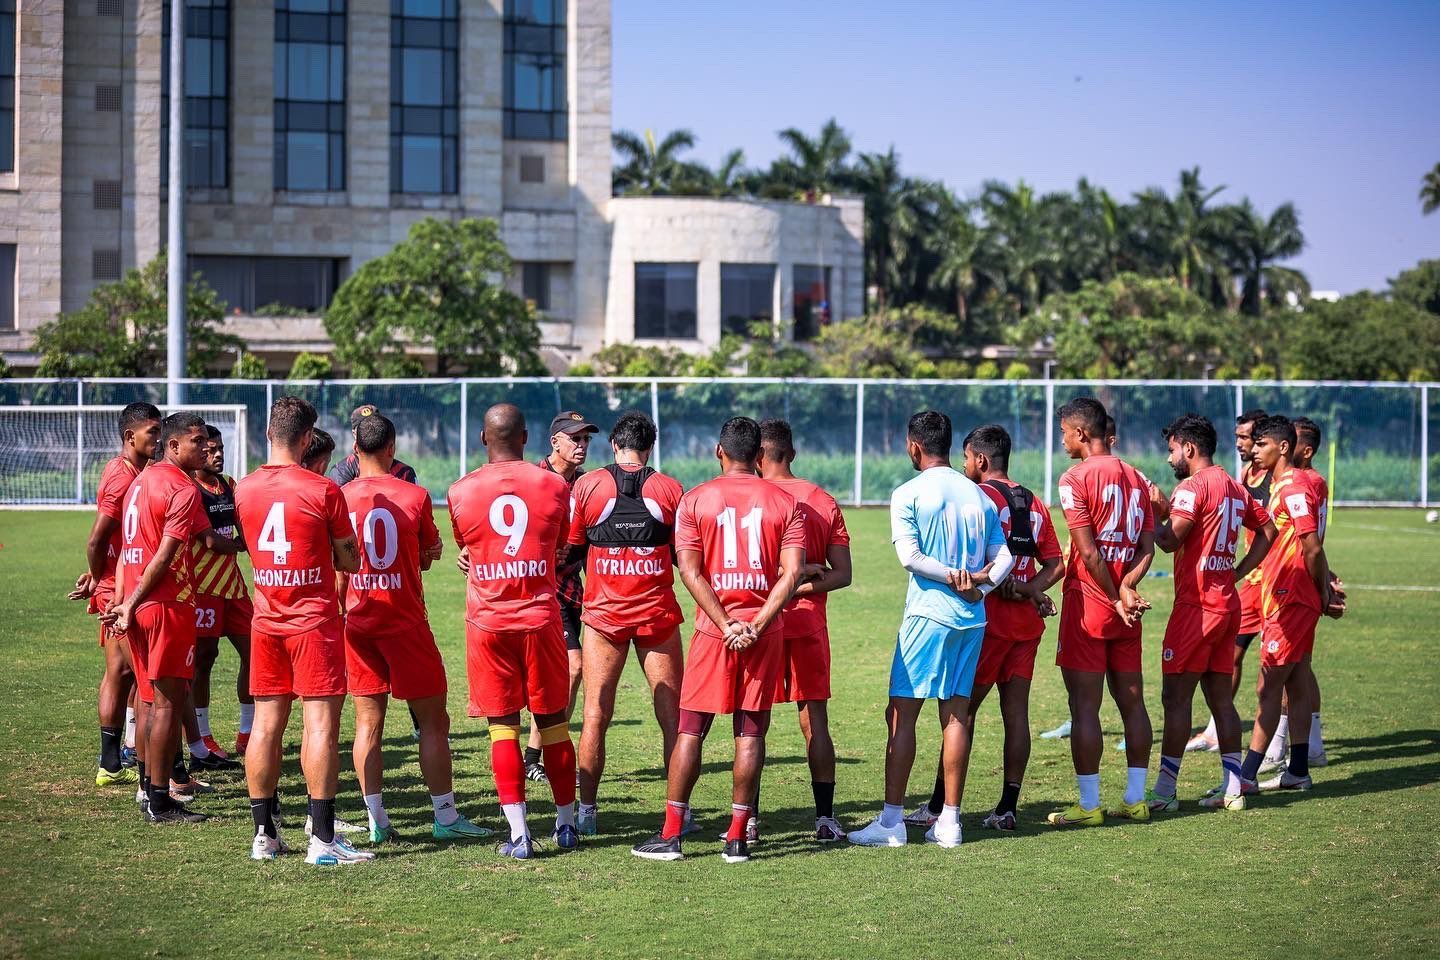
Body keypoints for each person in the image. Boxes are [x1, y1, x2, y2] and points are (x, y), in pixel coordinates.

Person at [630, 416, 806, 864]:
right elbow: (792, 574)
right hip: (764, 634)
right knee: (750, 733)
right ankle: (736, 838)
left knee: (690, 730)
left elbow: (689, 571)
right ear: (760, 457)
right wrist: (758, 624)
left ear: (718, 451)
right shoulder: (785, 502)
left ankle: (671, 836)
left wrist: (727, 624)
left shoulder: (695, 499)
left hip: (714, 633)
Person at [848, 411, 1013, 850]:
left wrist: (954, 576)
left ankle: (891, 823)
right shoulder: (979, 496)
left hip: (927, 616)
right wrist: (980, 585)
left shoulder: (908, 493)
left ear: (914, 447)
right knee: (956, 715)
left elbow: (911, 557)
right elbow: (1006, 559)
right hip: (972, 619)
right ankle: (951, 823)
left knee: (902, 714)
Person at [341, 411, 492, 843]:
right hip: (404, 620)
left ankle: (376, 819)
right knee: (432, 723)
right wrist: (430, 551)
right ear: (392, 448)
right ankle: (445, 816)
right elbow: (427, 555)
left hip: (358, 619)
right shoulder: (414, 495)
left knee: (367, 723)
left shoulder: (340, 496)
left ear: (355, 449)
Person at [235, 396, 371, 865]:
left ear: (269, 434)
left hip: (266, 620)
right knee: (320, 726)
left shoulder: (244, 489)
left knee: (266, 725)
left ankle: (263, 835)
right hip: (313, 622)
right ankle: (324, 840)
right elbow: (350, 559)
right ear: (308, 439)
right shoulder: (323, 490)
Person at [906, 424, 1063, 832]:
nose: (963, 465)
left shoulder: (978, 496)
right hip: (1026, 628)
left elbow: (975, 559)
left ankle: (941, 807)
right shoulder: (1033, 500)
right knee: (1017, 715)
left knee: (960, 714)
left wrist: (1000, 586)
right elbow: (1055, 564)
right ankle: (1008, 806)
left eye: (966, 458)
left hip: (986, 622)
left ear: (981, 460)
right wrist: (1031, 590)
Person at [448, 403, 579, 860]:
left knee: (502, 729)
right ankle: (565, 824)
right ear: (525, 437)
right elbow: (559, 545)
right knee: (554, 724)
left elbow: (468, 547)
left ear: (484, 439)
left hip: (488, 623)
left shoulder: (460, 490)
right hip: (541, 619)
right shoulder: (554, 485)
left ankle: (520, 835)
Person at [106, 412, 242, 823]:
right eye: (197, 442)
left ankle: (148, 788)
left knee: (149, 699)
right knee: (167, 704)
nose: (206, 448)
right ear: (173, 445)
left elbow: (209, 539)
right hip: (165, 605)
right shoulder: (182, 488)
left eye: (206, 442)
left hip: (138, 602)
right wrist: (130, 604)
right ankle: (161, 800)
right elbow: (164, 557)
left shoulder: (141, 481)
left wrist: (125, 600)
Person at [1146, 414, 1275, 813]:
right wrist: (1237, 572)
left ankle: (1166, 792)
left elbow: (1169, 540)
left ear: (1189, 447)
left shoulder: (1193, 485)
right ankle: (1233, 788)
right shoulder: (1236, 486)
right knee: (1221, 698)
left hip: (1196, 608)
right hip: (1227, 604)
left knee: (1176, 697)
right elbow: (1268, 530)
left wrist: (1154, 511)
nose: (1170, 458)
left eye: (1172, 450)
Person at [567, 411, 687, 838]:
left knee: (596, 714)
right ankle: (678, 813)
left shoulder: (588, 485)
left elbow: (570, 552)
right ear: (650, 447)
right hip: (657, 617)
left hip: (603, 619)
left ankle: (587, 811)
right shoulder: (670, 488)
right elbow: (685, 557)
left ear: (614, 446)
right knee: (673, 719)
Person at [1048, 396, 1156, 827]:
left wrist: (1112, 595)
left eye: (1064, 433)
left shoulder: (1074, 478)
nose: (1063, 441)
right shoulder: (1137, 476)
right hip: (1127, 608)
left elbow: (1089, 554)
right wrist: (1129, 587)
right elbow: (1148, 547)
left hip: (1092, 603)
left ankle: (1089, 805)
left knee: (1085, 708)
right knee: (1134, 704)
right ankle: (1135, 799)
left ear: (1081, 433)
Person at [1228, 414, 1343, 799]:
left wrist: (1321, 591)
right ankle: (1297, 770)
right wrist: (1239, 572)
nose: (1253, 449)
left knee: (1268, 685)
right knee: (1294, 681)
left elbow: (1311, 545)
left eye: (1261, 444)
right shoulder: (1286, 485)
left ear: (1283, 447)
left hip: (1290, 597)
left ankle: (1245, 773)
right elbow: (1274, 541)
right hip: (1284, 593)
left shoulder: (1293, 486)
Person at [755, 418, 853, 842]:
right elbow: (843, 574)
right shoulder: (821, 499)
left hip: (759, 621)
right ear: (791, 454)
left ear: (757, 456)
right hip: (807, 620)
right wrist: (799, 586)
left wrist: (779, 588)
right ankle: (825, 818)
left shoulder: (751, 498)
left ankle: (749, 820)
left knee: (752, 721)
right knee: (815, 719)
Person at [70, 401, 160, 788]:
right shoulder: (122, 477)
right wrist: (96, 575)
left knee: (124, 673)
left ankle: (116, 759)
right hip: (118, 587)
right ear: (130, 437)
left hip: (124, 580)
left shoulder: (138, 471)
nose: (157, 439)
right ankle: (139, 768)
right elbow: (97, 537)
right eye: (151, 432)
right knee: (134, 674)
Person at [1186, 408, 1271, 754]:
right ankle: (1222, 744)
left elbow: (1278, 531)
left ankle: (1288, 746)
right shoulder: (1241, 477)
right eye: (1236, 437)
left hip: (1258, 585)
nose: (1240, 444)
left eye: (1247, 438)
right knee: (1238, 662)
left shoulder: (1277, 478)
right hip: (1243, 585)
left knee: (1281, 666)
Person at [522, 411, 597, 782]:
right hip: (533, 592)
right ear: (555, 442)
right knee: (571, 667)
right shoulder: (532, 481)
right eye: (575, 439)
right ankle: (540, 754)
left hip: (569, 593)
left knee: (565, 672)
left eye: (586, 440)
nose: (582, 446)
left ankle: (535, 755)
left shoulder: (585, 486)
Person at [188, 425, 253, 762]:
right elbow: (209, 541)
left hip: (232, 585)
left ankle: (247, 732)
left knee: (256, 653)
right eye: (210, 449)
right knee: (204, 660)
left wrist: (249, 542)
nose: (217, 454)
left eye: (220, 448)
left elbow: (243, 524)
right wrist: (243, 545)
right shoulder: (191, 489)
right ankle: (203, 736)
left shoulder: (228, 485)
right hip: (202, 587)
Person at [328, 403, 419, 486]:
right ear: (354, 434)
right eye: (363, 427)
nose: (370, 430)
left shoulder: (404, 472)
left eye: (375, 425)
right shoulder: (342, 471)